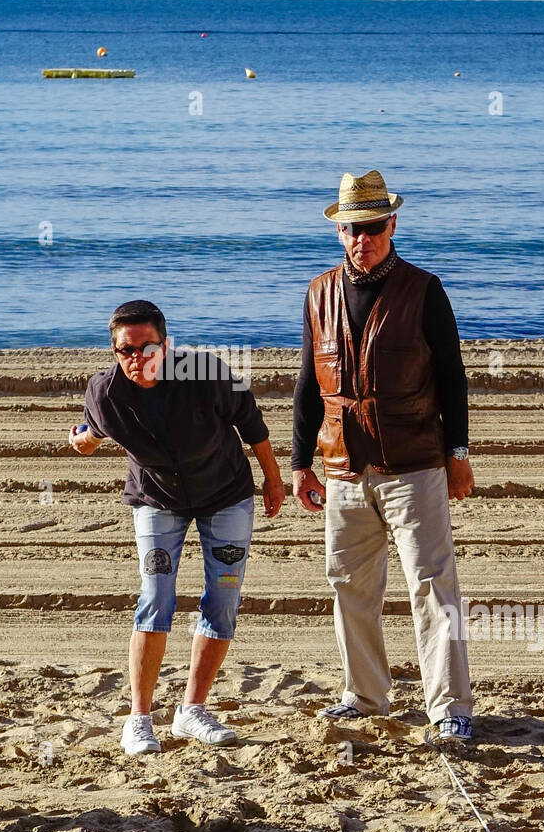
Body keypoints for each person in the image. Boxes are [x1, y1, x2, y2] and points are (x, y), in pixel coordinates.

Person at [291, 170, 475, 744]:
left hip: (415, 462)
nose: (361, 239)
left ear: (392, 224)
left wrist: (458, 452)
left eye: (371, 228)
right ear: (339, 231)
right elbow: (307, 384)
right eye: (351, 230)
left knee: (432, 584)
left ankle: (449, 708)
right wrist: (300, 463)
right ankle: (365, 695)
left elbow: (452, 378)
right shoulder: (319, 292)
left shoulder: (424, 289)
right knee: (348, 583)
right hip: (344, 464)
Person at [70, 299, 285, 755]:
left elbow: (253, 426)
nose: (137, 359)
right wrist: (81, 441)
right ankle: (139, 718)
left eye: (146, 347)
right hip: (157, 501)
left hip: (225, 494)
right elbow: (90, 436)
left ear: (166, 346)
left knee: (223, 598)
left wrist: (273, 479)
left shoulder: (207, 372)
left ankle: (191, 711)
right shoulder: (105, 393)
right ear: (115, 352)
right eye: (126, 350)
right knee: (156, 598)